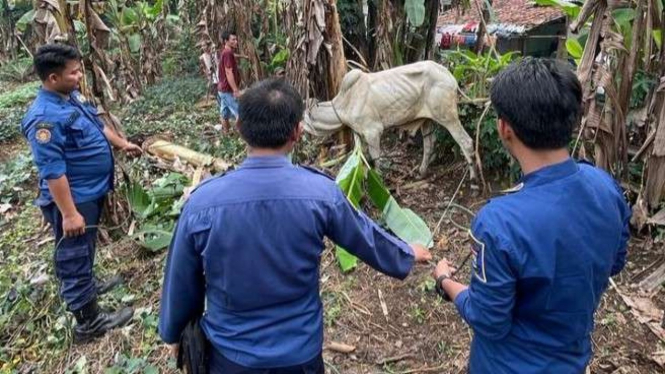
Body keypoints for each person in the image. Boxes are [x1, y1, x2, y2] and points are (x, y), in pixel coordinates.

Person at [159, 78, 432, 373]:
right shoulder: (321, 195)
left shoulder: (202, 204)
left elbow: (181, 281)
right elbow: (366, 238)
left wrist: (173, 332)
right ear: (298, 132)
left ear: (239, 128)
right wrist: (406, 253)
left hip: (230, 357)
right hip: (299, 356)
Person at [431, 57, 631, 373]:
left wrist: (445, 281)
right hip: (571, 361)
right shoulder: (606, 187)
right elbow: (615, 262)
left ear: (505, 128)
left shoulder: (499, 222)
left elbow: (489, 320)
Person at [21, 44, 142, 344]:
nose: (79, 76)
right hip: (73, 198)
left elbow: (97, 126)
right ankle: (89, 322)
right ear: (51, 78)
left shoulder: (69, 97)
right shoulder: (44, 118)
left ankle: (89, 286)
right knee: (73, 255)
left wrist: (121, 144)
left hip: (90, 191)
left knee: (85, 248)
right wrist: (70, 213)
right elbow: (52, 170)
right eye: (73, 72)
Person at [217, 30, 241, 133]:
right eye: (233, 40)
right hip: (227, 90)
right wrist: (235, 89)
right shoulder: (227, 53)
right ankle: (245, 140)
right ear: (226, 41)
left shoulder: (226, 52)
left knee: (224, 114)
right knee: (240, 114)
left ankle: (226, 134)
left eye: (236, 39)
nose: (236, 41)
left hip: (222, 89)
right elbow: (228, 72)